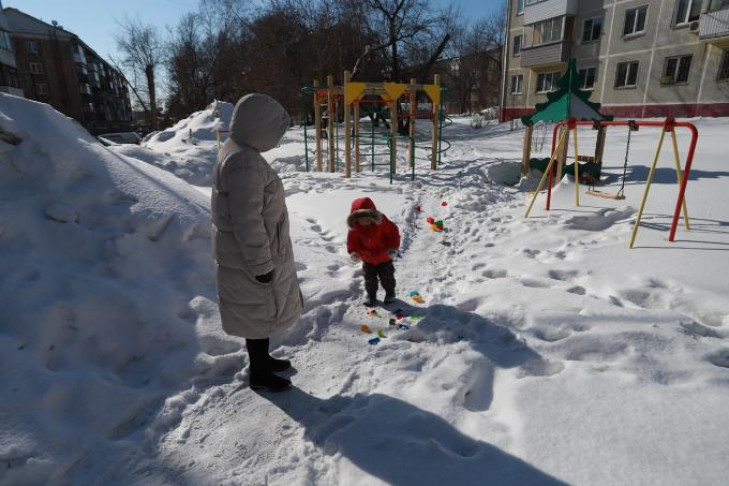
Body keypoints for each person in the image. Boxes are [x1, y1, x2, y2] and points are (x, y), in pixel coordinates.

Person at [211, 94, 302, 392]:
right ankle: (259, 373)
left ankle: (262, 361)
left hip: (250, 253)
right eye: (275, 132)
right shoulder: (243, 162)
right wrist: (261, 263)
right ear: (258, 126)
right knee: (259, 309)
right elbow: (247, 220)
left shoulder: (238, 152)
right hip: (251, 256)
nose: (277, 140)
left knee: (258, 313)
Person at [347, 197, 401, 307]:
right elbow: (352, 242)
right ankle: (371, 295)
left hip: (384, 257)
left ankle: (390, 293)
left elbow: (393, 234)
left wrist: (392, 248)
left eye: (366, 219)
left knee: (387, 278)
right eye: (359, 220)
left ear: (372, 217)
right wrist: (354, 252)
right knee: (369, 280)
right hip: (367, 259)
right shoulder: (355, 229)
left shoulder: (382, 223)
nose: (363, 222)